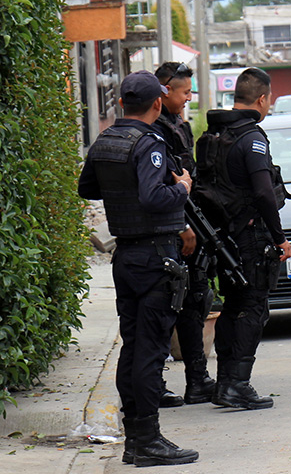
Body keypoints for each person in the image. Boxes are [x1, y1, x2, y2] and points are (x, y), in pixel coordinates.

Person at [78, 71, 199, 466]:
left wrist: (122, 187)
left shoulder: (106, 140)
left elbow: (88, 189)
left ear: (121, 104)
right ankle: (147, 439)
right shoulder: (149, 144)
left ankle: (135, 439)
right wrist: (181, 187)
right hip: (154, 257)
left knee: (133, 348)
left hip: (126, 257)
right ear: (157, 104)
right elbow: (153, 197)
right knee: (150, 350)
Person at [195, 67, 291, 409]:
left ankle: (225, 383)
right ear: (263, 99)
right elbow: (264, 193)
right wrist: (280, 238)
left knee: (232, 307)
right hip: (250, 238)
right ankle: (238, 384)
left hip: (223, 238)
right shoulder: (250, 137)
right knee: (252, 308)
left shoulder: (214, 133)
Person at [151, 62, 216, 407]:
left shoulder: (179, 126)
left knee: (194, 300)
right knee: (163, 306)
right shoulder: (154, 131)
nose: (189, 97)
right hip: (171, 226)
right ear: (164, 91)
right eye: (184, 92)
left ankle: (197, 378)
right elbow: (160, 185)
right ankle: (155, 383)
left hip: (189, 219)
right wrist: (183, 226)